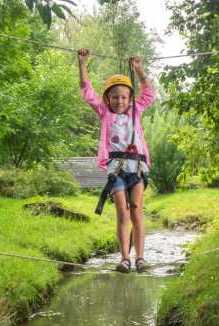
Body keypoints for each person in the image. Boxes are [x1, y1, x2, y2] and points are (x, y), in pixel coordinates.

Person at [78, 48, 155, 273]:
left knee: (136, 212)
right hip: (116, 169)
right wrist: (83, 63)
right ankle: (124, 258)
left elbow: (149, 93)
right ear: (107, 99)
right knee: (122, 212)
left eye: (123, 97)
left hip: (137, 168)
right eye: (115, 97)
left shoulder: (136, 110)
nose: (119, 101)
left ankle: (140, 258)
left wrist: (139, 70)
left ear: (130, 99)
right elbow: (86, 91)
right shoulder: (105, 113)